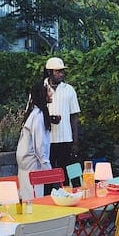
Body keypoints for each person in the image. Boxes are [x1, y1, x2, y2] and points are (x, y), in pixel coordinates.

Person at [42, 56, 81, 192]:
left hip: (66, 139)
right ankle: (47, 205)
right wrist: (50, 119)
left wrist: (75, 142)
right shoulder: (40, 89)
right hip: (47, 140)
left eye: (62, 71)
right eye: (58, 71)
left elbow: (74, 116)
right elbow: (33, 114)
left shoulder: (69, 89)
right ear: (49, 72)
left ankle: (71, 200)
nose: (61, 74)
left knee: (69, 174)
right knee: (48, 176)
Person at [16, 80, 53, 200]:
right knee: (33, 196)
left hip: (27, 160)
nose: (51, 94)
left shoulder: (35, 112)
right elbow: (39, 146)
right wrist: (48, 169)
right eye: (48, 91)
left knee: (28, 193)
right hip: (31, 161)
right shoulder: (38, 116)